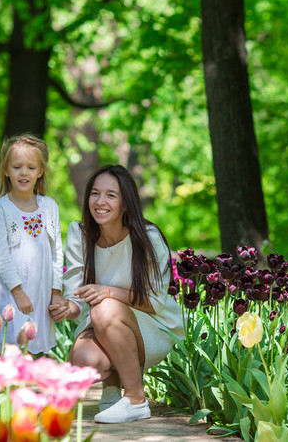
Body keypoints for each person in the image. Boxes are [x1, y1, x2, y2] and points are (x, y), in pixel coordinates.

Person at [49, 165, 184, 424]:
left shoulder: (148, 237)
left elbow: (155, 301)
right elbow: (78, 296)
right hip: (105, 321)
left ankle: (135, 399)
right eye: (95, 193)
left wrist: (109, 291)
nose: (100, 202)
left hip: (150, 326)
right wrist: (69, 308)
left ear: (126, 202)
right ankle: (111, 389)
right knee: (83, 360)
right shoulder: (80, 234)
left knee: (104, 307)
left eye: (111, 195)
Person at [0, 134, 64, 355]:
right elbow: (1, 255)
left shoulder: (49, 206)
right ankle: (11, 386)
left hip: (41, 289)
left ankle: (33, 385)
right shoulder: (1, 208)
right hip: (13, 290)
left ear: (40, 171)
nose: (24, 173)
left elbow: (56, 252)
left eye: (31, 167)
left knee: (35, 344)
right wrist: (18, 292)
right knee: (13, 342)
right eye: (17, 167)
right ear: (6, 170)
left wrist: (56, 291)